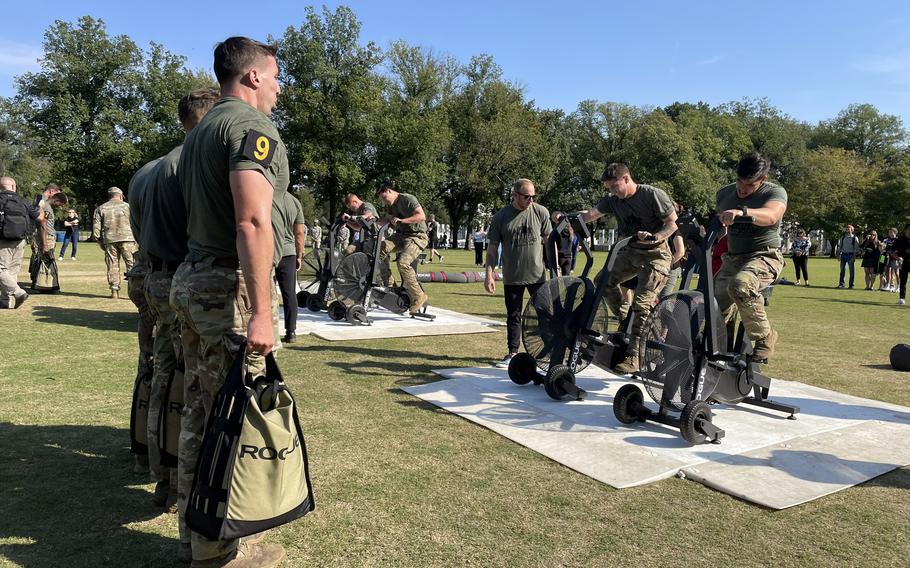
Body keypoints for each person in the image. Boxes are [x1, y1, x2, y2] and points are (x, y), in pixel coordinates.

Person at [171, 36, 287, 567]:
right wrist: (263, 311)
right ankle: (217, 553)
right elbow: (252, 220)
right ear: (254, 76)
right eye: (277, 77)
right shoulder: (247, 126)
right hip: (223, 288)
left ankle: (197, 538)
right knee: (231, 419)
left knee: (200, 412)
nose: (280, 89)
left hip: (191, 282)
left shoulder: (199, 133)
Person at [131, 89, 220, 537]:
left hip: (152, 276)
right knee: (185, 389)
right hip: (184, 282)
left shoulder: (146, 171)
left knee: (157, 373)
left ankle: (158, 472)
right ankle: (175, 483)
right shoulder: (189, 163)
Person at [569, 163, 677, 373]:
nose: (612, 192)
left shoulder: (652, 195)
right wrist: (567, 218)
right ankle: (625, 322)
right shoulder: (613, 200)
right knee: (602, 281)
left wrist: (656, 237)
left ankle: (635, 356)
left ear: (626, 178)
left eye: (615, 187)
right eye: (609, 188)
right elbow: (591, 214)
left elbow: (672, 223)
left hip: (656, 255)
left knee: (642, 303)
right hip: (631, 252)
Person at [714, 152, 787, 363]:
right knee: (715, 305)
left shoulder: (774, 192)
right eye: (739, 180)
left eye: (748, 184)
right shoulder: (724, 194)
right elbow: (721, 224)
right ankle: (720, 354)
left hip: (765, 255)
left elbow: (772, 215)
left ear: (762, 180)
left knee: (741, 285)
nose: (741, 188)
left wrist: (742, 212)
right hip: (733, 258)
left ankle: (765, 337)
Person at [485, 179, 552, 368]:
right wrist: (489, 274)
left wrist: (555, 270)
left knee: (544, 315)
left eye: (533, 196)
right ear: (515, 195)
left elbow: (549, 242)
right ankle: (512, 352)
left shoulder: (541, 212)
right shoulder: (501, 217)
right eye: (526, 196)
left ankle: (549, 352)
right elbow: (492, 250)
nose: (530, 200)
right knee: (513, 315)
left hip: (537, 276)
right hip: (513, 276)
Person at [376, 179, 429, 314]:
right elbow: (386, 220)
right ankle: (390, 285)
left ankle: (418, 296)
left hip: (417, 236)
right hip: (401, 235)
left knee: (403, 263)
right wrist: (373, 220)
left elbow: (421, 216)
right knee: (378, 250)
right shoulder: (392, 206)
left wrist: (402, 220)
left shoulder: (407, 199)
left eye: (384, 197)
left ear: (389, 191)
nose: (384, 201)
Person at [0, 176, 40, 309]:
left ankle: (18, 293)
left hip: (3, 240)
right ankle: (6, 301)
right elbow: (37, 216)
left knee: (1, 269)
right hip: (20, 240)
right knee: (12, 271)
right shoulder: (22, 201)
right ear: (13, 187)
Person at [273, 190, 306, 343]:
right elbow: (299, 233)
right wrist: (299, 255)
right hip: (288, 253)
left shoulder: (266, 195)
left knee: (265, 292)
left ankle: (269, 329)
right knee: (289, 293)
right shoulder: (294, 202)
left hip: (269, 251)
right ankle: (291, 331)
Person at [92, 187, 136, 299]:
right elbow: (137, 223)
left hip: (110, 240)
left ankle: (114, 290)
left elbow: (96, 229)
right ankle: (134, 290)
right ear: (121, 196)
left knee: (112, 265)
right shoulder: (128, 207)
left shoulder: (101, 208)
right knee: (132, 265)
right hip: (128, 239)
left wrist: (100, 241)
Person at [29, 183, 65, 292]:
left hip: (43, 235)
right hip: (45, 236)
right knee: (45, 259)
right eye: (57, 194)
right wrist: (44, 243)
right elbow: (42, 224)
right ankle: (44, 285)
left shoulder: (42, 201)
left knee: (39, 259)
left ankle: (38, 283)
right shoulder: (43, 202)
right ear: (51, 191)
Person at [837, 224, 860, 289]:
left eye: (849, 228)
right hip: (843, 255)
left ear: (852, 230)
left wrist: (854, 257)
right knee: (842, 270)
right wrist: (838, 255)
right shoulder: (843, 237)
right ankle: (841, 284)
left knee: (851, 271)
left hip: (850, 255)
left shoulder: (855, 238)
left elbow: (856, 249)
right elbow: (840, 247)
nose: (848, 229)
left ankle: (851, 285)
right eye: (847, 228)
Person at [894, 224, 910, 305]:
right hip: (903, 262)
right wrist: (898, 258)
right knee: (903, 281)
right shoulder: (899, 240)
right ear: (905, 230)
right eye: (909, 229)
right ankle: (902, 298)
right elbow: (892, 251)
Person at [881, 227, 899, 291]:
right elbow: (883, 249)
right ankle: (888, 285)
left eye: (891, 232)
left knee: (896, 273)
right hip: (887, 258)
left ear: (895, 233)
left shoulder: (898, 240)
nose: (890, 233)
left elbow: (899, 249)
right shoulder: (886, 240)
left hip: (895, 258)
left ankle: (898, 286)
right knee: (887, 271)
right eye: (889, 232)